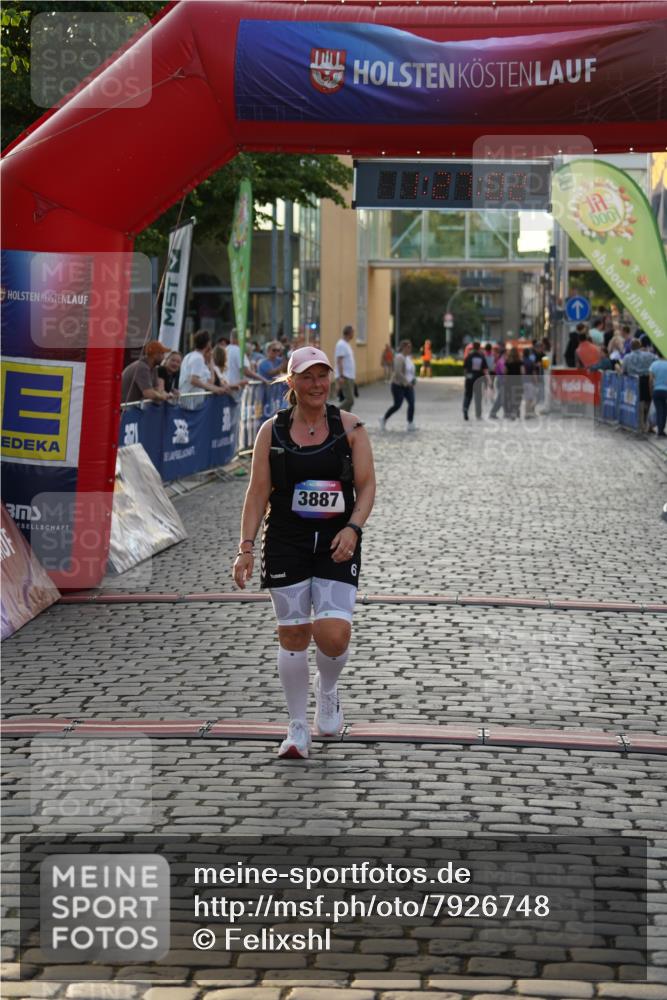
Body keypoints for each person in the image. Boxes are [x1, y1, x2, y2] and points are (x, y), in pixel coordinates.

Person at [232, 346, 375, 760]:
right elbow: (257, 492)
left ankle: (327, 690)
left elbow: (366, 486)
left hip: (336, 541)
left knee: (334, 635)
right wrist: (245, 547)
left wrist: (353, 527)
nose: (317, 385)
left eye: (323, 376)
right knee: (293, 634)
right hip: (286, 541)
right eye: (307, 377)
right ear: (291, 382)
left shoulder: (351, 427)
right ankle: (297, 728)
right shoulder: (270, 432)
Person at [179, 330, 233, 409]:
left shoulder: (189, 356)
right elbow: (193, 380)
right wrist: (214, 388)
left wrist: (211, 362)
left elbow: (209, 381)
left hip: (193, 400)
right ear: (208, 343)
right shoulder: (198, 358)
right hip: (191, 402)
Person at [379, 339, 417, 432]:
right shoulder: (399, 357)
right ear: (403, 347)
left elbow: (411, 371)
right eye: (408, 347)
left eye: (410, 347)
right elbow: (398, 372)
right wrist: (406, 382)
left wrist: (413, 379)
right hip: (398, 385)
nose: (410, 349)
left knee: (411, 403)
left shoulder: (408, 358)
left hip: (408, 386)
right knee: (397, 405)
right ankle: (383, 419)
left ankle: (410, 423)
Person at [623, 336, 657, 432]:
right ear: (640, 346)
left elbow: (624, 370)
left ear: (631, 347)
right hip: (646, 380)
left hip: (633, 381)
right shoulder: (649, 355)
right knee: (647, 401)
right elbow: (655, 363)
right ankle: (647, 423)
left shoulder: (627, 357)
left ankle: (639, 423)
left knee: (637, 402)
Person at [462, 341, 491, 420]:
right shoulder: (481, 357)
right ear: (479, 347)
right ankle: (478, 414)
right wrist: (488, 380)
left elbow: (464, 369)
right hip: (478, 379)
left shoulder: (468, 356)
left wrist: (467, 377)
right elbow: (485, 369)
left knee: (468, 395)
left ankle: (465, 409)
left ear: (473, 347)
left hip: (469, 378)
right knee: (478, 397)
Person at [333, 324, 356, 412]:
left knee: (349, 403)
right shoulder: (341, 344)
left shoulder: (346, 344)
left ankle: (346, 421)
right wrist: (341, 376)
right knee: (350, 400)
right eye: (353, 332)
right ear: (349, 333)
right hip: (345, 376)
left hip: (349, 376)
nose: (353, 334)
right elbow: (339, 361)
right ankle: (334, 413)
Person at [649, 350, 667, 438]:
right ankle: (661, 430)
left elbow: (651, 379)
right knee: (665, 411)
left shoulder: (654, 364)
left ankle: (660, 431)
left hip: (657, 390)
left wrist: (651, 391)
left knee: (660, 411)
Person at [504, 346, 524, 419]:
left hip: (509, 381)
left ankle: (512, 411)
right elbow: (522, 371)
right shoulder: (520, 361)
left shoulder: (507, 361)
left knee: (510, 397)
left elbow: (505, 372)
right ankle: (516, 410)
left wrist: (505, 380)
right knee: (518, 397)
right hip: (518, 381)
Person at [488, 344, 506, 419]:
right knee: (501, 398)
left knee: (503, 398)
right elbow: (503, 371)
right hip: (501, 381)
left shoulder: (500, 360)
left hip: (499, 380)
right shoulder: (501, 361)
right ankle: (493, 413)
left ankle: (506, 413)